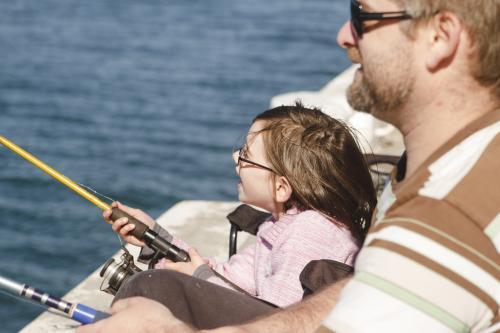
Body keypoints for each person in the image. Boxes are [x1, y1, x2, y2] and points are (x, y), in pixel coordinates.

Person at [78, 0, 500, 332]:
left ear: (440, 36)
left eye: (362, 14)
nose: (342, 36)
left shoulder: (447, 214)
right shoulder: (438, 167)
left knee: (157, 289)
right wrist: (160, 244)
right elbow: (368, 291)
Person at [104, 103, 376, 307]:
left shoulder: (309, 233)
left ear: (281, 187)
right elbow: (229, 280)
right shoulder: (281, 223)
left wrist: (198, 277)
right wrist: (154, 237)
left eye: (246, 155)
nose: (235, 158)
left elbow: (274, 319)